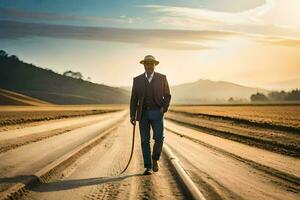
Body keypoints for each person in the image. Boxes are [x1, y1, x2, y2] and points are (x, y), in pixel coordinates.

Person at [130, 55, 171, 175]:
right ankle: (148, 167)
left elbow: (167, 96)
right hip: (143, 114)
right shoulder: (137, 80)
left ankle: (155, 159)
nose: (149, 66)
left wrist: (163, 108)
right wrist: (132, 115)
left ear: (154, 65)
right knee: (144, 140)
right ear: (143, 65)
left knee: (159, 138)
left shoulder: (162, 78)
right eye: (147, 64)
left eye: (151, 64)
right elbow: (134, 98)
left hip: (157, 112)